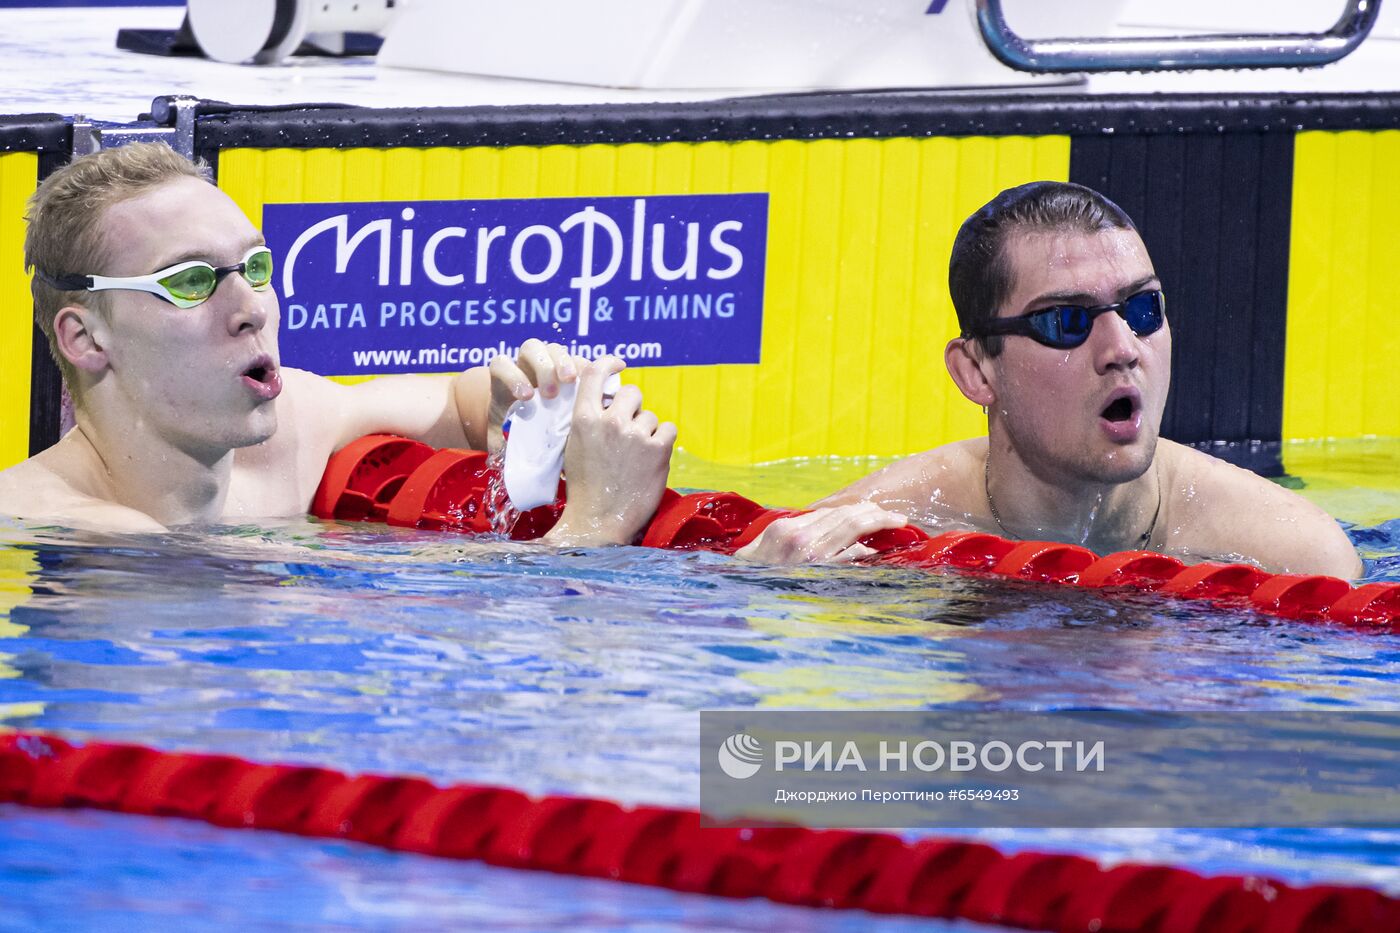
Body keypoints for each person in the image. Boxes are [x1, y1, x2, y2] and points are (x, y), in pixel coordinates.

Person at [0, 142, 674, 543]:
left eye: (256, 268)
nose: (249, 311)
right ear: (85, 338)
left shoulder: (283, 438)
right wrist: (599, 519)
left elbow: (454, 404)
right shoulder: (83, 532)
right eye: (191, 281)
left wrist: (515, 400)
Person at [739, 181, 1363, 579]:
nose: (1122, 349)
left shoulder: (1292, 552)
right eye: (1066, 321)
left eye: (1143, 310)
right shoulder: (883, 523)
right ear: (977, 370)